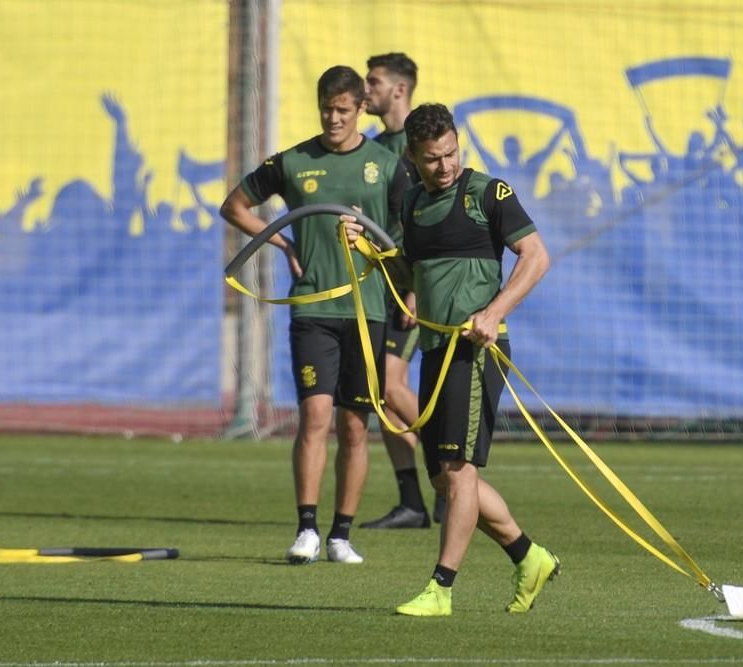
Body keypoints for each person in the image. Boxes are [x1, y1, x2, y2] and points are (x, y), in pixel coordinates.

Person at [344, 103, 558, 616]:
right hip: (436, 351)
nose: (446, 165)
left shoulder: (489, 192)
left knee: (458, 470)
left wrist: (493, 311)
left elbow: (537, 256)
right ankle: (529, 558)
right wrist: (372, 253)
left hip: (478, 349)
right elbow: (409, 278)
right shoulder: (414, 205)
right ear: (413, 159)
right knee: (444, 475)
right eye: (433, 159)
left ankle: (441, 588)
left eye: (451, 152)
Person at [220, 65, 408, 565]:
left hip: (368, 310)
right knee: (315, 416)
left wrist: (388, 267)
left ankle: (341, 536)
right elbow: (235, 205)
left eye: (343, 110)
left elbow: (407, 233)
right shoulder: (295, 161)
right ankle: (306, 528)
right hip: (313, 308)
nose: (333, 118)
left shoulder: (387, 165)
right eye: (326, 108)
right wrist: (282, 241)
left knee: (354, 426)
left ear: (361, 109)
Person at [359, 52, 444, 529]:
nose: (365, 90)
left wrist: (415, 287)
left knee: (390, 386)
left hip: (409, 285)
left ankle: (452, 468)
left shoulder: (420, 149)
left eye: (373, 82)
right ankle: (412, 501)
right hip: (378, 283)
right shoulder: (373, 147)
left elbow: (428, 219)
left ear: (399, 90)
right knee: (381, 392)